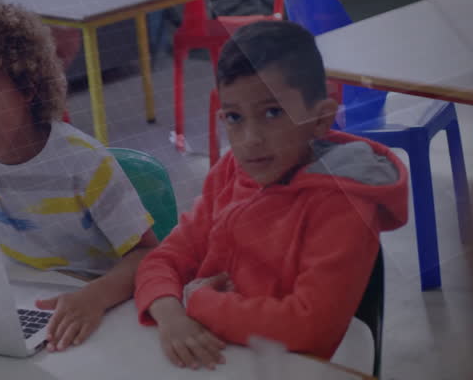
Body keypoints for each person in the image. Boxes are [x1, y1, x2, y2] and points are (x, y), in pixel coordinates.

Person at [134, 21, 409, 370]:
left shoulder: (344, 204)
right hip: (217, 354)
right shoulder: (230, 172)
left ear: (322, 118)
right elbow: (163, 259)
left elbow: (310, 328)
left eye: (273, 112)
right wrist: (170, 313)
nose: (250, 139)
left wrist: (197, 301)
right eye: (234, 117)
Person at [0, 0, 158, 352]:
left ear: (27, 88)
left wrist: (93, 298)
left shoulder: (82, 163)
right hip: (19, 301)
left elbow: (148, 255)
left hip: (92, 312)